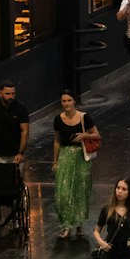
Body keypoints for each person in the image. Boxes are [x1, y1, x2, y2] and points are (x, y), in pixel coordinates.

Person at [51, 90, 100, 240]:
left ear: (74, 101)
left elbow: (97, 135)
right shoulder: (58, 120)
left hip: (81, 157)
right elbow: (57, 141)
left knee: (80, 191)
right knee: (63, 193)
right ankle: (66, 225)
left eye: (68, 100)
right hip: (65, 157)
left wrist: (84, 136)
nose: (66, 103)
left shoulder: (84, 117)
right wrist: (55, 161)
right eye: (63, 101)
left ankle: (79, 225)